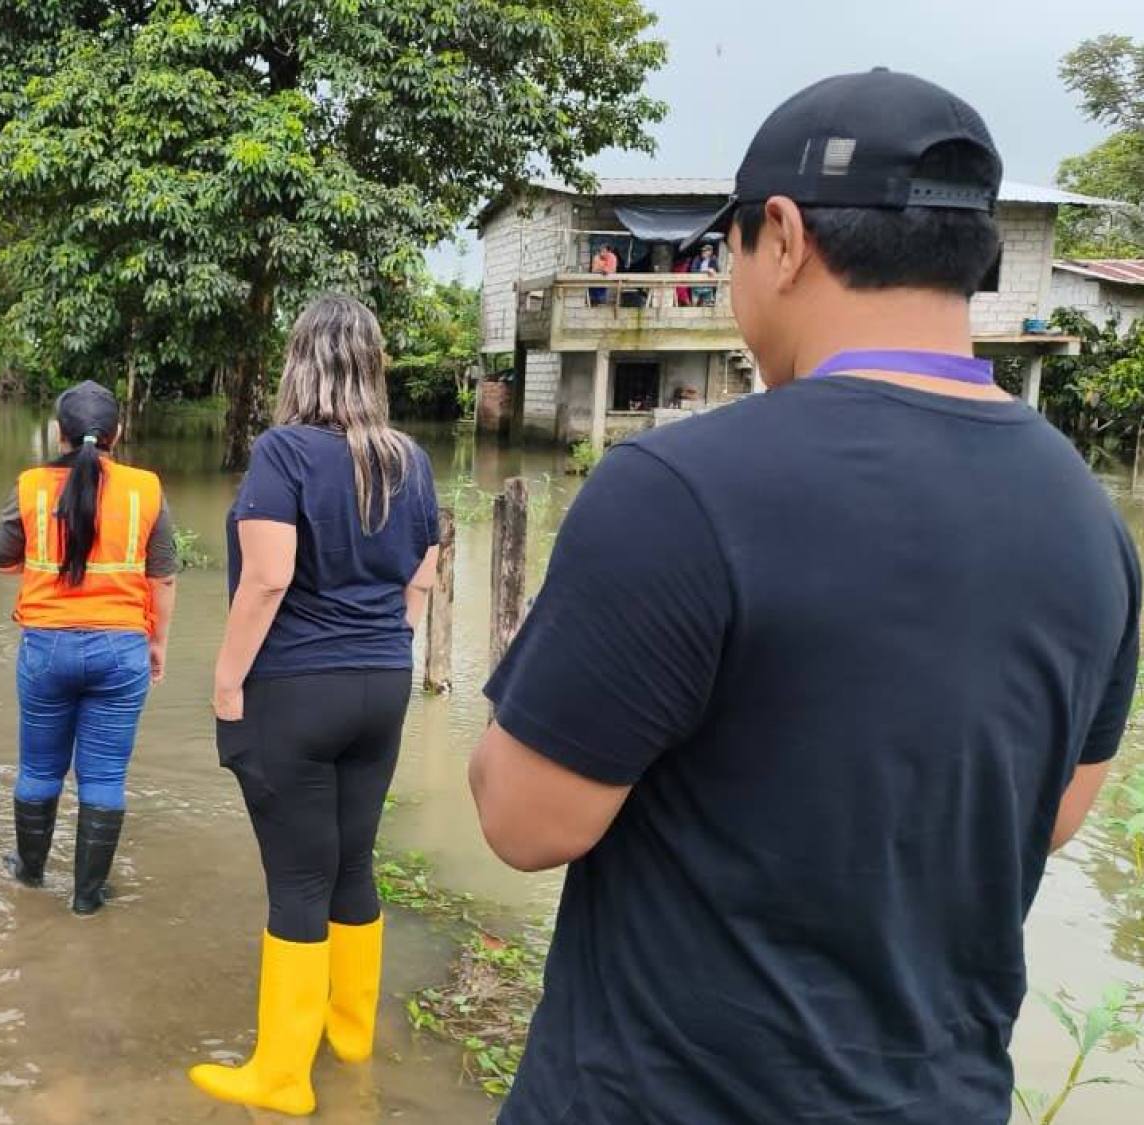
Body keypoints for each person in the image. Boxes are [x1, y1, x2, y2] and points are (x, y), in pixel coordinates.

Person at [469, 69, 1138, 1124]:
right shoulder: (1089, 520)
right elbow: (1049, 817)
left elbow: (524, 820)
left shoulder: (677, 490)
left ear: (778, 236)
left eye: (725, 250)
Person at [189, 295, 441, 1117]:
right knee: (354, 863)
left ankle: (282, 1076)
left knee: (298, 877)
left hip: (296, 688)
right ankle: (351, 1036)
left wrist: (227, 682)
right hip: (383, 681)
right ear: (373, 365)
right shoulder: (411, 459)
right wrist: (383, 648)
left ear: (300, 361)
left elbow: (267, 579)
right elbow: (422, 579)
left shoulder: (284, 451)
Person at [0, 382, 179, 915]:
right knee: (105, 777)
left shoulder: (31, 486)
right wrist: (157, 643)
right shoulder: (145, 489)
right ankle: (87, 899)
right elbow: (162, 576)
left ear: (58, 434)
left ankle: (29, 874)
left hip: (46, 649)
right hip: (122, 650)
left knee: (39, 770)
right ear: (118, 433)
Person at [691, 240, 721, 306]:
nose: (703, 252)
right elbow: (693, 270)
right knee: (695, 303)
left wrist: (713, 271)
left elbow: (717, 271)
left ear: (710, 252)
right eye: (703, 251)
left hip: (708, 285)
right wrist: (706, 271)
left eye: (705, 251)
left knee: (706, 304)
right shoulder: (697, 258)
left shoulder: (713, 259)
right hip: (697, 284)